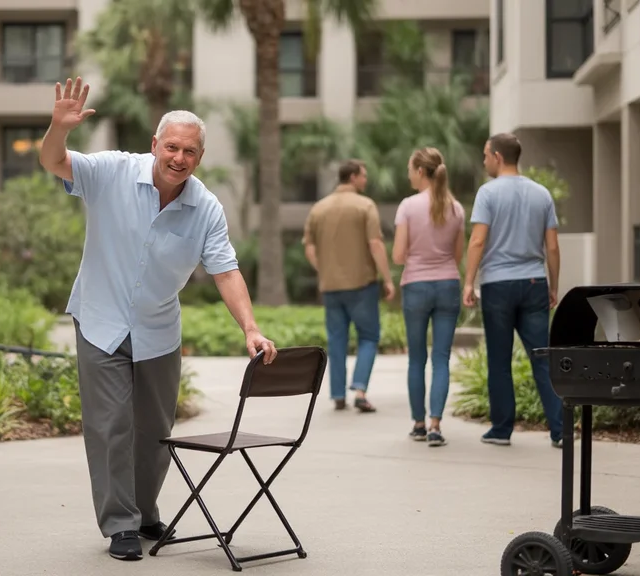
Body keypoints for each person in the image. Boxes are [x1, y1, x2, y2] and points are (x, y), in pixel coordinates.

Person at [39, 77, 278, 562]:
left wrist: (250, 327)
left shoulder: (205, 207)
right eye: (172, 146)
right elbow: (54, 161)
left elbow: (226, 270)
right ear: (155, 145)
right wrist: (57, 129)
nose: (179, 158)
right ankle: (121, 524)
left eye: (190, 151)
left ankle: (145, 511)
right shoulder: (111, 172)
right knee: (111, 426)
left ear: (199, 157)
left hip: (158, 329)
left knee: (155, 431)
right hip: (101, 320)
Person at [463, 133, 563, 448]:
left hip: (497, 285)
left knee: (499, 359)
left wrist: (468, 281)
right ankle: (561, 430)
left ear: (497, 156)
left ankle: (502, 429)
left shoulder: (488, 193)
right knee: (543, 358)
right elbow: (553, 247)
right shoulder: (541, 193)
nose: (484, 161)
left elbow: (478, 240)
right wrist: (553, 285)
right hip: (534, 282)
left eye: (485, 156)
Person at [302, 159, 394, 413]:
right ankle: (361, 390)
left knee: (337, 340)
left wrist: (323, 269)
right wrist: (387, 279)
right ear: (353, 177)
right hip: (362, 284)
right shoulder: (365, 205)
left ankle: (338, 395)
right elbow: (375, 243)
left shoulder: (319, 208)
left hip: (330, 286)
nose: (365, 180)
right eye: (363, 176)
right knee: (369, 336)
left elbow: (309, 246)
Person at [392, 147, 465, 447]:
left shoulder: (408, 206)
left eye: (410, 168)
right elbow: (457, 256)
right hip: (448, 284)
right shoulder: (456, 208)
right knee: (442, 358)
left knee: (416, 360)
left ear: (420, 171)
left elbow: (397, 256)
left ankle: (419, 424)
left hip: (416, 286)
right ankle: (436, 424)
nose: (409, 174)